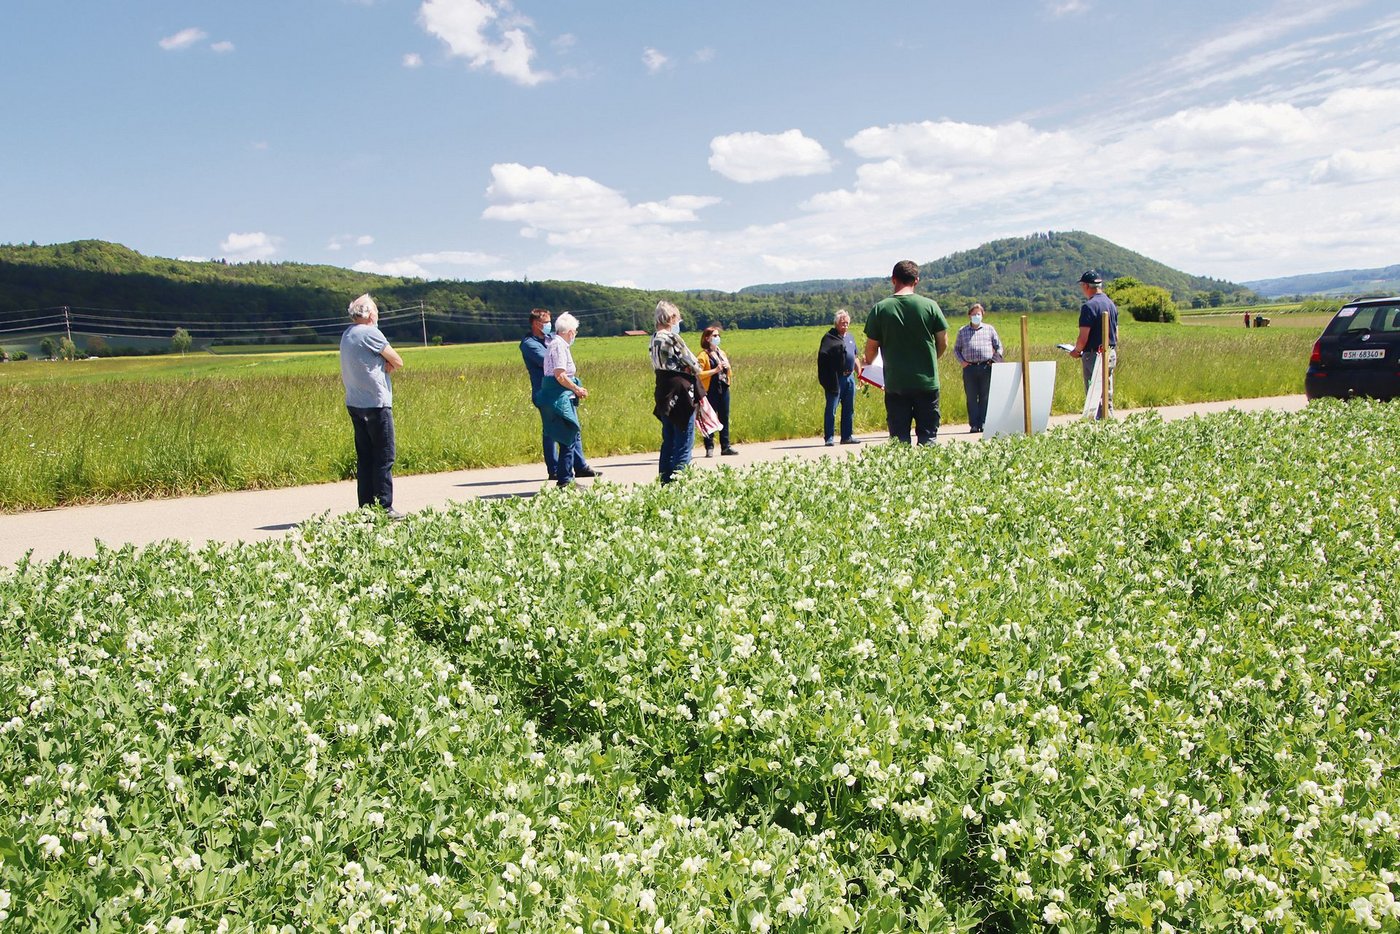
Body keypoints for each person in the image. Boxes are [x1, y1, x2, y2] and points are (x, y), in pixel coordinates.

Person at [862, 260, 949, 445]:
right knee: (928, 439)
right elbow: (943, 342)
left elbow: (871, 349)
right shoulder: (930, 306)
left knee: (899, 440)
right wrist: (931, 359)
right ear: (916, 280)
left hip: (896, 383)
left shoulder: (880, 308)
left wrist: (868, 362)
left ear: (893, 280)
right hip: (926, 382)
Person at [340, 293, 404, 517]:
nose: (377, 314)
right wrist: (388, 365)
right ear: (368, 314)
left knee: (365, 457)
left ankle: (366, 506)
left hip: (355, 403)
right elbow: (397, 360)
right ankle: (384, 506)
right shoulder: (371, 333)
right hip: (377, 403)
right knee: (385, 456)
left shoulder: (347, 334)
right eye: (375, 309)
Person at [520, 309, 596, 481]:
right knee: (556, 432)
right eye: (544, 322)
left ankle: (575, 468)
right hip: (549, 392)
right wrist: (576, 388)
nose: (548, 326)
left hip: (558, 390)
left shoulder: (553, 341)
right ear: (535, 323)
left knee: (570, 432)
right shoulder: (532, 343)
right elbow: (558, 371)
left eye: (549, 322)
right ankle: (559, 473)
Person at [651, 300, 701, 483]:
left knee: (668, 440)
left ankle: (665, 480)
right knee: (684, 441)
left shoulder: (654, 338)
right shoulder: (672, 338)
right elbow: (695, 364)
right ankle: (680, 481)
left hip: (663, 391)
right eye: (677, 319)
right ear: (671, 318)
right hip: (680, 392)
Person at [1069, 269, 1119, 419]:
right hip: (1110, 352)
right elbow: (1116, 334)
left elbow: (1083, 337)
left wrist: (1076, 351)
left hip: (1093, 354)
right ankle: (1109, 420)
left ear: (1086, 286)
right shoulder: (1111, 304)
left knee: (1094, 395)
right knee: (1107, 392)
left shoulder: (1089, 307)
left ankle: (1098, 424)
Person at [952, 303, 1004, 433]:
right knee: (971, 397)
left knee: (985, 396)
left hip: (986, 366)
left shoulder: (989, 329)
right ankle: (974, 424)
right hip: (969, 368)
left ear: (982, 315)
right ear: (969, 315)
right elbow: (956, 349)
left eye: (978, 314)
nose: (976, 316)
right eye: (974, 314)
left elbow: (999, 347)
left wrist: (995, 359)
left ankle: (984, 422)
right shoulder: (962, 331)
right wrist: (962, 362)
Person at [817, 309, 862, 446]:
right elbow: (823, 359)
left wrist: (859, 373)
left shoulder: (850, 338)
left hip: (849, 377)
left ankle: (847, 436)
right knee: (832, 408)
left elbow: (855, 357)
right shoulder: (829, 338)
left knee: (849, 408)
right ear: (836, 324)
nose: (845, 326)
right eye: (842, 323)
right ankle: (829, 437)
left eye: (847, 323)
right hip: (835, 379)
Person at [696, 326, 738, 457]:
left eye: (718, 335)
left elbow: (728, 372)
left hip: (723, 387)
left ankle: (725, 446)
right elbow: (698, 374)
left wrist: (728, 368)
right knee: (709, 417)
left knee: (724, 417)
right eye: (714, 336)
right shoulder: (703, 356)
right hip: (710, 389)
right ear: (707, 338)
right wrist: (714, 370)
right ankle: (709, 446)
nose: (717, 338)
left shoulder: (722, 353)